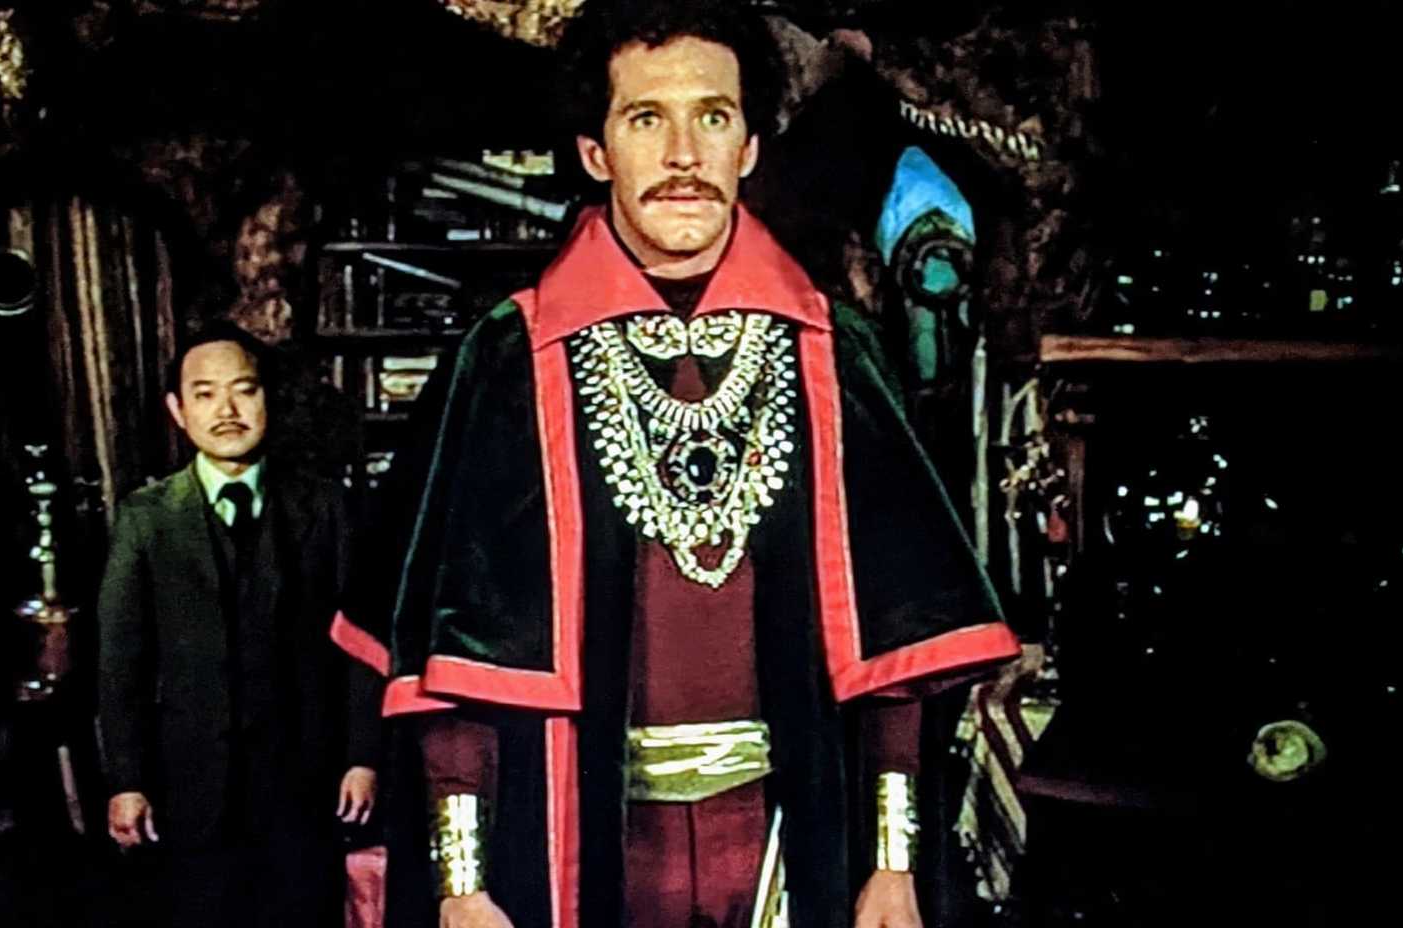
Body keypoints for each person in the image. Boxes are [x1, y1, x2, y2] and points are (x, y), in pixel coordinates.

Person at [370, 4, 1019, 926]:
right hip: (575, 845)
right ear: (595, 152)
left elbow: (897, 655)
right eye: (647, 119)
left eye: (712, 117)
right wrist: (462, 885)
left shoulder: (834, 352)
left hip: (789, 843)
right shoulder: (511, 359)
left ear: (748, 147)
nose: (683, 154)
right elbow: (454, 666)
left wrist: (892, 862)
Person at [96, 321, 382, 927]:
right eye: (204, 394)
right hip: (187, 791)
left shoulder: (326, 508)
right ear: (178, 411)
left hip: (304, 784)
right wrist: (127, 781)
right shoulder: (146, 519)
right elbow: (122, 665)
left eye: (243, 390)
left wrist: (362, 758)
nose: (226, 411)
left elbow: (361, 649)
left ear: (267, 399)